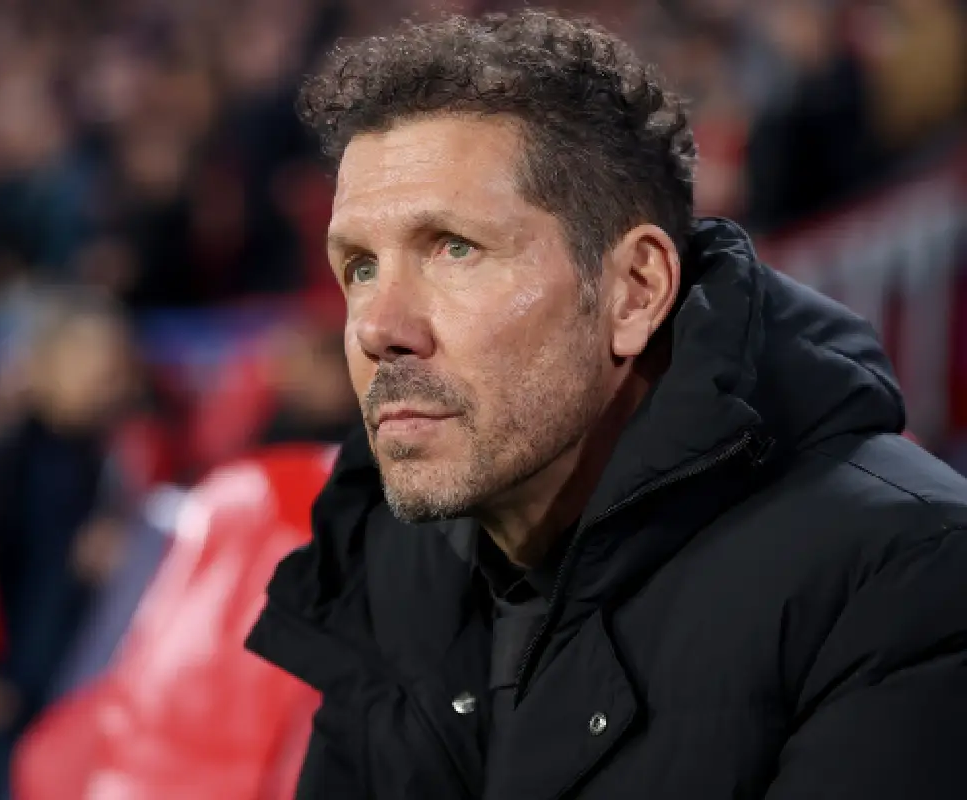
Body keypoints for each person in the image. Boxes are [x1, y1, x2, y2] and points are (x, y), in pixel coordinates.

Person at [244, 9, 967, 799]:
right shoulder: (390, 564)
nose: (379, 327)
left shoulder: (909, 573)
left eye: (454, 248)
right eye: (359, 268)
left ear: (635, 290)